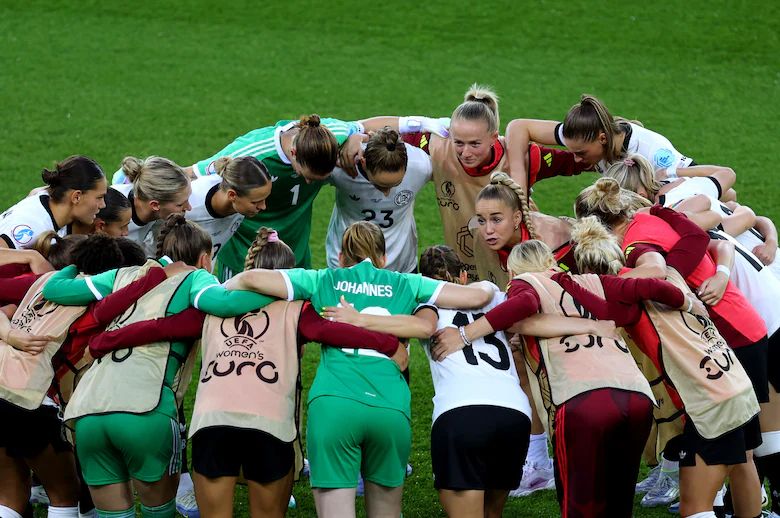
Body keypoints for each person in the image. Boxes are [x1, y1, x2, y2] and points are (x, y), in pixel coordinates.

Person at [87, 226, 407, 518]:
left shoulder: (213, 302)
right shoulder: (298, 308)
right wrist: (387, 344)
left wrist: (103, 340)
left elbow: (158, 328)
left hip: (212, 422)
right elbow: (337, 333)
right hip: (269, 425)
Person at [226, 221, 496, 518]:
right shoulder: (408, 283)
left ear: (341, 257)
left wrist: (220, 291)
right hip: (390, 408)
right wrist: (490, 285)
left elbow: (251, 279)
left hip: (335, 404)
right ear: (383, 258)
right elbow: (477, 297)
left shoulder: (323, 279)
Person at [432, 240, 695, 517]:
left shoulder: (525, 282)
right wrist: (689, 303)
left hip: (582, 399)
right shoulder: (595, 281)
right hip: (636, 397)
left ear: (511, 273)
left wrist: (464, 335)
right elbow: (653, 286)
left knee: (579, 505)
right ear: (551, 262)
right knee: (618, 502)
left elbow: (523, 303)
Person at [40, 214, 278, 518]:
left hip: (88, 411)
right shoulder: (196, 277)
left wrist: (77, 257)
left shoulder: (123, 275)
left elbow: (55, 289)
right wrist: (286, 287)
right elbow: (227, 304)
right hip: (146, 408)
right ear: (205, 258)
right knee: (158, 512)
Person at [574, 178, 766, 516]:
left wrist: (581, 284)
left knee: (694, 505)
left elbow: (627, 296)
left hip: (712, 394)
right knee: (742, 460)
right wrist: (664, 211)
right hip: (732, 373)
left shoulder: (633, 275)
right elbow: (697, 238)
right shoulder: (667, 259)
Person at [0, 235, 164, 518]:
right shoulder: (97, 305)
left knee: (11, 492)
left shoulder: (41, 284)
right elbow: (144, 287)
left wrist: (12, 335)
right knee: (65, 492)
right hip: (30, 400)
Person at [185, 114, 445, 280]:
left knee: (293, 319)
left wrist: (431, 123)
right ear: (295, 153)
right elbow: (190, 173)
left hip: (295, 242)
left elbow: (367, 125)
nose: (309, 182)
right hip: (245, 244)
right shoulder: (254, 151)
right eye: (307, 176)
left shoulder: (332, 135)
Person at [400, 85, 590, 283]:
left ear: (493, 137)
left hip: (518, 260)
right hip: (464, 265)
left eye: (475, 144)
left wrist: (618, 147)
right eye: (459, 143)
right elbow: (387, 140)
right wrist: (364, 132)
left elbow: (579, 160)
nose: (466, 152)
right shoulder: (438, 147)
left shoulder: (517, 156)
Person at [503, 94, 698, 192]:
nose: (577, 160)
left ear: (602, 139)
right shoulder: (583, 134)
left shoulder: (651, 150)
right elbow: (519, 127)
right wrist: (518, 183)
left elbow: (700, 184)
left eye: (581, 153)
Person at [326, 127, 431, 273]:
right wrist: (349, 136)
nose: (387, 193)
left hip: (401, 268)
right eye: (379, 185)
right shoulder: (341, 167)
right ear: (363, 162)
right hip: (348, 266)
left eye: (395, 184)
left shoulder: (421, 166)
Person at [472, 172, 577, 286]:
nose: (488, 230)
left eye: (496, 220)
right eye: (481, 220)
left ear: (516, 218)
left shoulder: (554, 244)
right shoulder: (481, 237)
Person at [0, 156, 107, 249]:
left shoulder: (46, 195)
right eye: (99, 197)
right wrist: (32, 257)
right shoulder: (34, 228)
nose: (103, 205)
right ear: (77, 197)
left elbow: (35, 191)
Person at [186, 155, 271, 263]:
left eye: (264, 199)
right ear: (232, 195)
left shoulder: (238, 198)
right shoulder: (189, 204)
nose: (263, 206)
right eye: (255, 202)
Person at [111, 156, 193, 257]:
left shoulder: (155, 207)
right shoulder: (111, 211)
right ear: (155, 205)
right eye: (180, 204)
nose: (189, 208)